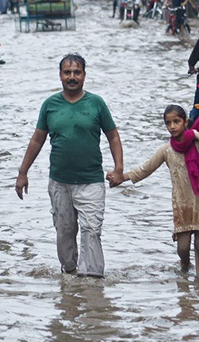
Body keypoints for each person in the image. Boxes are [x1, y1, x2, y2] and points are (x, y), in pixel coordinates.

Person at [15, 53, 123, 278]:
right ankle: (70, 278)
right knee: (64, 231)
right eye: (67, 73)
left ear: (84, 75)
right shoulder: (50, 105)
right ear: (60, 76)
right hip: (59, 181)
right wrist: (22, 173)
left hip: (91, 180)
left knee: (91, 230)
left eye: (77, 72)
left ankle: (93, 282)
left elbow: (113, 136)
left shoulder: (96, 103)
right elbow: (37, 140)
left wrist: (118, 169)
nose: (72, 77)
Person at [111, 105, 199, 275]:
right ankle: (185, 266)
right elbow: (145, 169)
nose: (172, 127)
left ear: (185, 122)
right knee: (182, 248)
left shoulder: (196, 144)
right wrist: (122, 177)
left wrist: (196, 134)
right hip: (182, 205)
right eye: (168, 123)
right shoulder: (166, 151)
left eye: (176, 122)